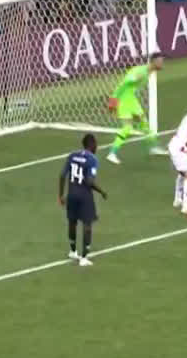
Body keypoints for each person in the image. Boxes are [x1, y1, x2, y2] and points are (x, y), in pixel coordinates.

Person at [105, 52, 167, 164]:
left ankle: (153, 147)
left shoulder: (148, 72)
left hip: (130, 99)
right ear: (154, 62)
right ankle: (112, 153)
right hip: (123, 100)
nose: (163, 64)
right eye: (161, 61)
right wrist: (113, 100)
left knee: (144, 124)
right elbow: (124, 84)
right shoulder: (140, 72)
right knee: (127, 127)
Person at [58, 133, 107, 267]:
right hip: (84, 196)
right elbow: (89, 181)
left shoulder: (72, 156)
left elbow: (62, 175)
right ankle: (84, 258)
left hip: (71, 194)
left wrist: (61, 195)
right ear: (91, 145)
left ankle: (73, 251)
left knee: (72, 222)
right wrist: (101, 191)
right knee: (87, 225)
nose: (97, 147)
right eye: (96, 144)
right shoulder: (92, 159)